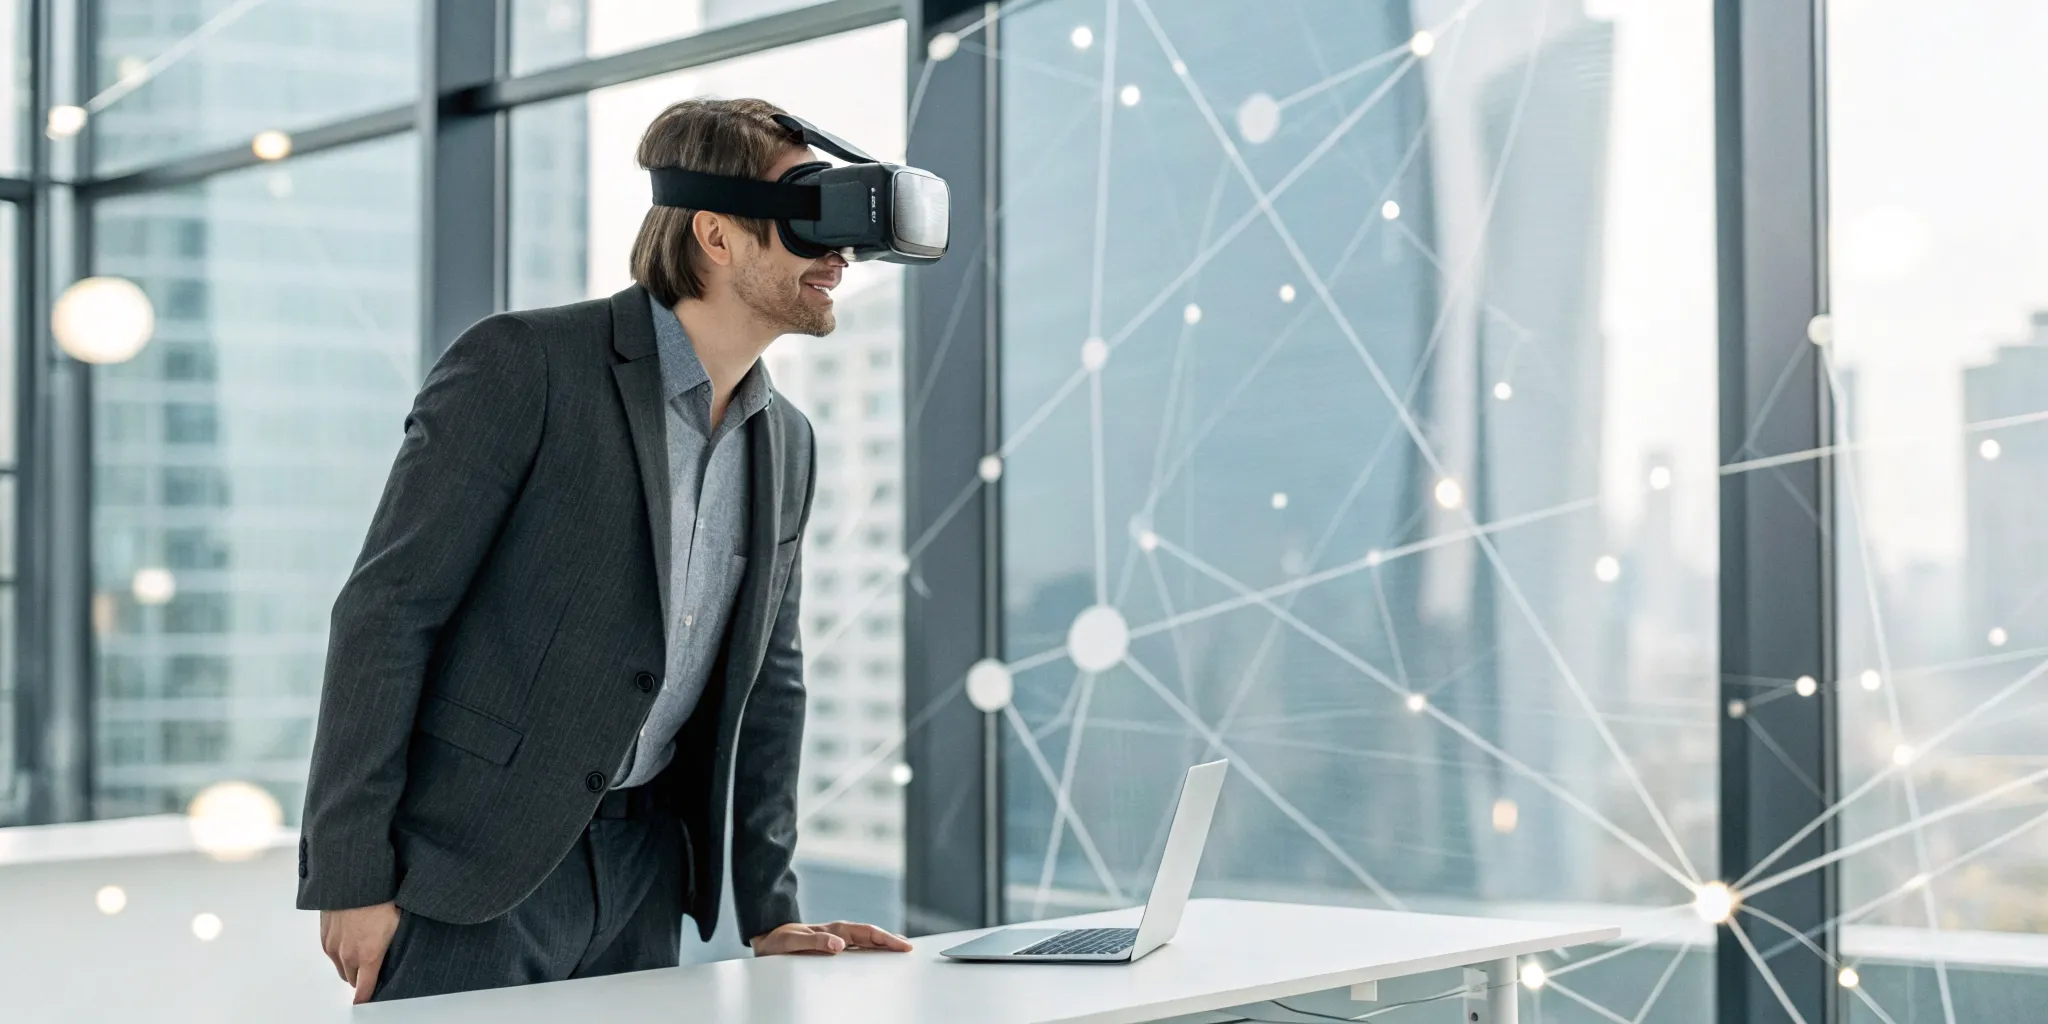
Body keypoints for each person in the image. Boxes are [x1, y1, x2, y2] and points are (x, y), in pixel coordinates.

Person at [295, 96, 912, 1004]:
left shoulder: (788, 440)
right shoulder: (524, 364)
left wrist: (770, 905)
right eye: (808, 214)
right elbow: (388, 614)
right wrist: (350, 874)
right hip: (472, 874)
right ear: (716, 233)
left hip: (643, 876)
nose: (840, 254)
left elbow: (769, 683)